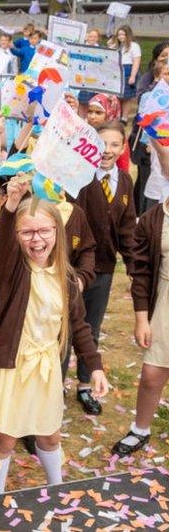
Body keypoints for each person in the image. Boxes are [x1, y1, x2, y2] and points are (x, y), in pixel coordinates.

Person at [0, 180, 109, 494]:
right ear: (18, 235)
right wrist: (9, 206)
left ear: (57, 232)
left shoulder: (65, 276)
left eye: (44, 231)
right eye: (27, 232)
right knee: (5, 437)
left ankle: (57, 490)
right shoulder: (14, 268)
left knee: (50, 434)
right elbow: (1, 243)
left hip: (46, 364)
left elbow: (79, 326)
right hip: (14, 365)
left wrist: (95, 367)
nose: (36, 239)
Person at [71, 121, 136, 416]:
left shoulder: (124, 182)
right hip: (74, 268)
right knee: (65, 327)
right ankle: (52, 386)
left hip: (105, 269)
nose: (106, 150)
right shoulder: (80, 177)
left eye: (114, 144)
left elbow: (127, 229)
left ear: (123, 148)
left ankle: (85, 384)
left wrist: (136, 269)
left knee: (91, 327)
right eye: (101, 143)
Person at [117, 141, 169, 456]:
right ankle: (141, 428)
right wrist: (140, 317)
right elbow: (141, 271)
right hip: (165, 299)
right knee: (152, 374)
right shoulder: (153, 219)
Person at [112, 25, 142, 122]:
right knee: (117, 95)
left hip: (128, 70)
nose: (121, 37)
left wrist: (132, 76)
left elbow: (136, 62)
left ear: (128, 35)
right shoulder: (118, 46)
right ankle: (117, 115)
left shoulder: (134, 46)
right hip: (117, 71)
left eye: (123, 34)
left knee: (126, 96)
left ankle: (124, 118)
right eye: (119, 35)